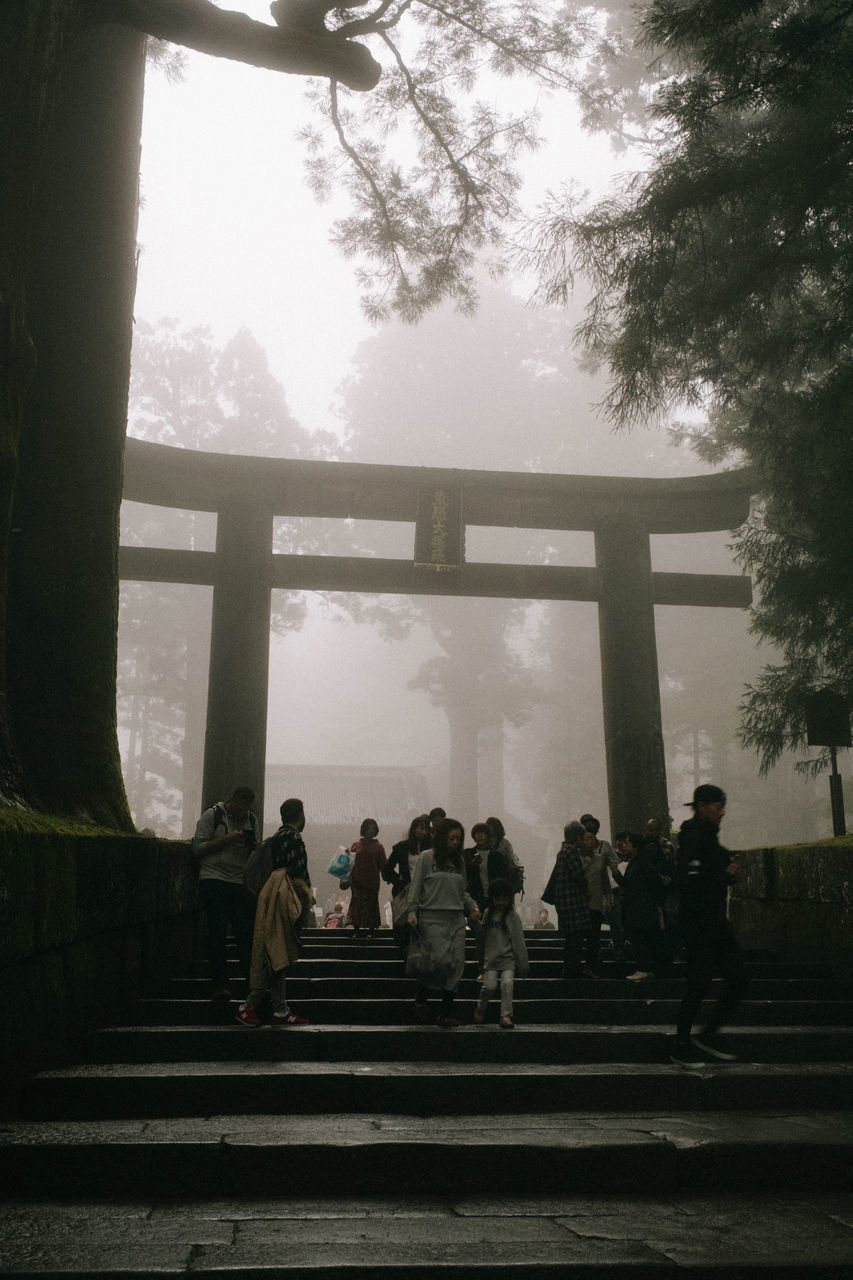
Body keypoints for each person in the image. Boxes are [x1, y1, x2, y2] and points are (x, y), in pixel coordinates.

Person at [670, 784, 750, 1067]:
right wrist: (723, 874)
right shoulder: (692, 837)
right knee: (698, 983)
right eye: (718, 806)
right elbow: (688, 882)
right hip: (699, 923)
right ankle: (682, 1044)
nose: (723, 811)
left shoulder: (707, 837)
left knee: (738, 978)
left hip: (715, 922)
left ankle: (706, 1037)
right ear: (703, 806)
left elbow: (709, 867)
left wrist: (726, 866)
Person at [236, 797, 312, 1027]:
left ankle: (280, 1008)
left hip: (270, 890)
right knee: (278, 949)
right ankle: (248, 1006)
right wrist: (305, 900)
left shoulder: (275, 838)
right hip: (285, 893)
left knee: (274, 949)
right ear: (300, 815)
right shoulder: (295, 837)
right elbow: (298, 871)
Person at [407, 817, 480, 1026]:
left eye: (458, 839)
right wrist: (412, 912)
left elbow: (463, 892)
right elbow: (416, 887)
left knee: (457, 964)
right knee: (441, 961)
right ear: (441, 838)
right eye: (451, 838)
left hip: (457, 918)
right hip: (431, 916)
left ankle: (446, 1011)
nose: (455, 843)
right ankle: (422, 992)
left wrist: (472, 907)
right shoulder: (427, 858)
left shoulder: (459, 863)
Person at [192, 785, 259, 1001]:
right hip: (214, 878)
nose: (243, 814)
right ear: (232, 801)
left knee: (244, 932)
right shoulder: (213, 815)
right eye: (240, 809)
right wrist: (227, 839)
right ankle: (220, 984)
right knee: (217, 931)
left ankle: (252, 983)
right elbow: (198, 848)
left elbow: (253, 853)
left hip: (239, 881)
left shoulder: (252, 820)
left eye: (247, 810)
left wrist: (254, 846)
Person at [473, 879, 529, 1028]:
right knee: (489, 986)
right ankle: (481, 1006)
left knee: (507, 984)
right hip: (490, 959)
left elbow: (518, 941)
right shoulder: (487, 914)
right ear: (492, 899)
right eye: (498, 899)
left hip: (508, 959)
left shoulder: (512, 917)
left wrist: (522, 964)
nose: (501, 903)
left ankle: (506, 1015)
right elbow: (482, 937)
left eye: (504, 900)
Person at [541, 821, 589, 979]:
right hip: (573, 901)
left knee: (571, 939)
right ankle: (573, 970)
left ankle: (569, 969)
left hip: (564, 902)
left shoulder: (562, 851)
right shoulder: (571, 852)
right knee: (576, 938)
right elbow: (579, 876)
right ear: (577, 837)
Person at [619, 831, 668, 980]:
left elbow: (654, 880)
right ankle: (645, 968)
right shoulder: (633, 862)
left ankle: (644, 968)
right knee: (639, 938)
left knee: (642, 939)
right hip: (635, 907)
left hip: (642, 908)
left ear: (635, 846)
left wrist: (648, 900)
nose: (623, 845)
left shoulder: (642, 861)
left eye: (626, 843)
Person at [383, 814, 431, 952]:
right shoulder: (401, 847)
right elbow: (387, 868)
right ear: (413, 829)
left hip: (426, 890)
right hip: (405, 890)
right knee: (403, 924)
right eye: (419, 828)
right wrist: (396, 878)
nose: (421, 832)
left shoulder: (432, 849)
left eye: (425, 829)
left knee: (423, 925)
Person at [578, 825, 621, 977]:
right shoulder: (576, 859)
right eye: (586, 839)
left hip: (595, 904)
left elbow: (605, 882)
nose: (589, 842)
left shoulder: (600, 859)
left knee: (594, 938)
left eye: (592, 839)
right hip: (580, 905)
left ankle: (590, 966)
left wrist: (608, 897)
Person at [346, 818, 387, 938]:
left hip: (372, 881)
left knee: (371, 904)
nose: (370, 830)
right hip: (357, 880)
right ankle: (357, 928)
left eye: (373, 828)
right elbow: (350, 861)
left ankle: (371, 929)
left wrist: (386, 876)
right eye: (368, 828)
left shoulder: (379, 847)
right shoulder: (355, 845)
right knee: (357, 904)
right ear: (364, 829)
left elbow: (383, 864)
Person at [484, 815, 523, 897]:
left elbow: (511, 857)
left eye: (491, 826)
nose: (489, 828)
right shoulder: (484, 842)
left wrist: (519, 867)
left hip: (504, 877)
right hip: (487, 877)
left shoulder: (505, 843)